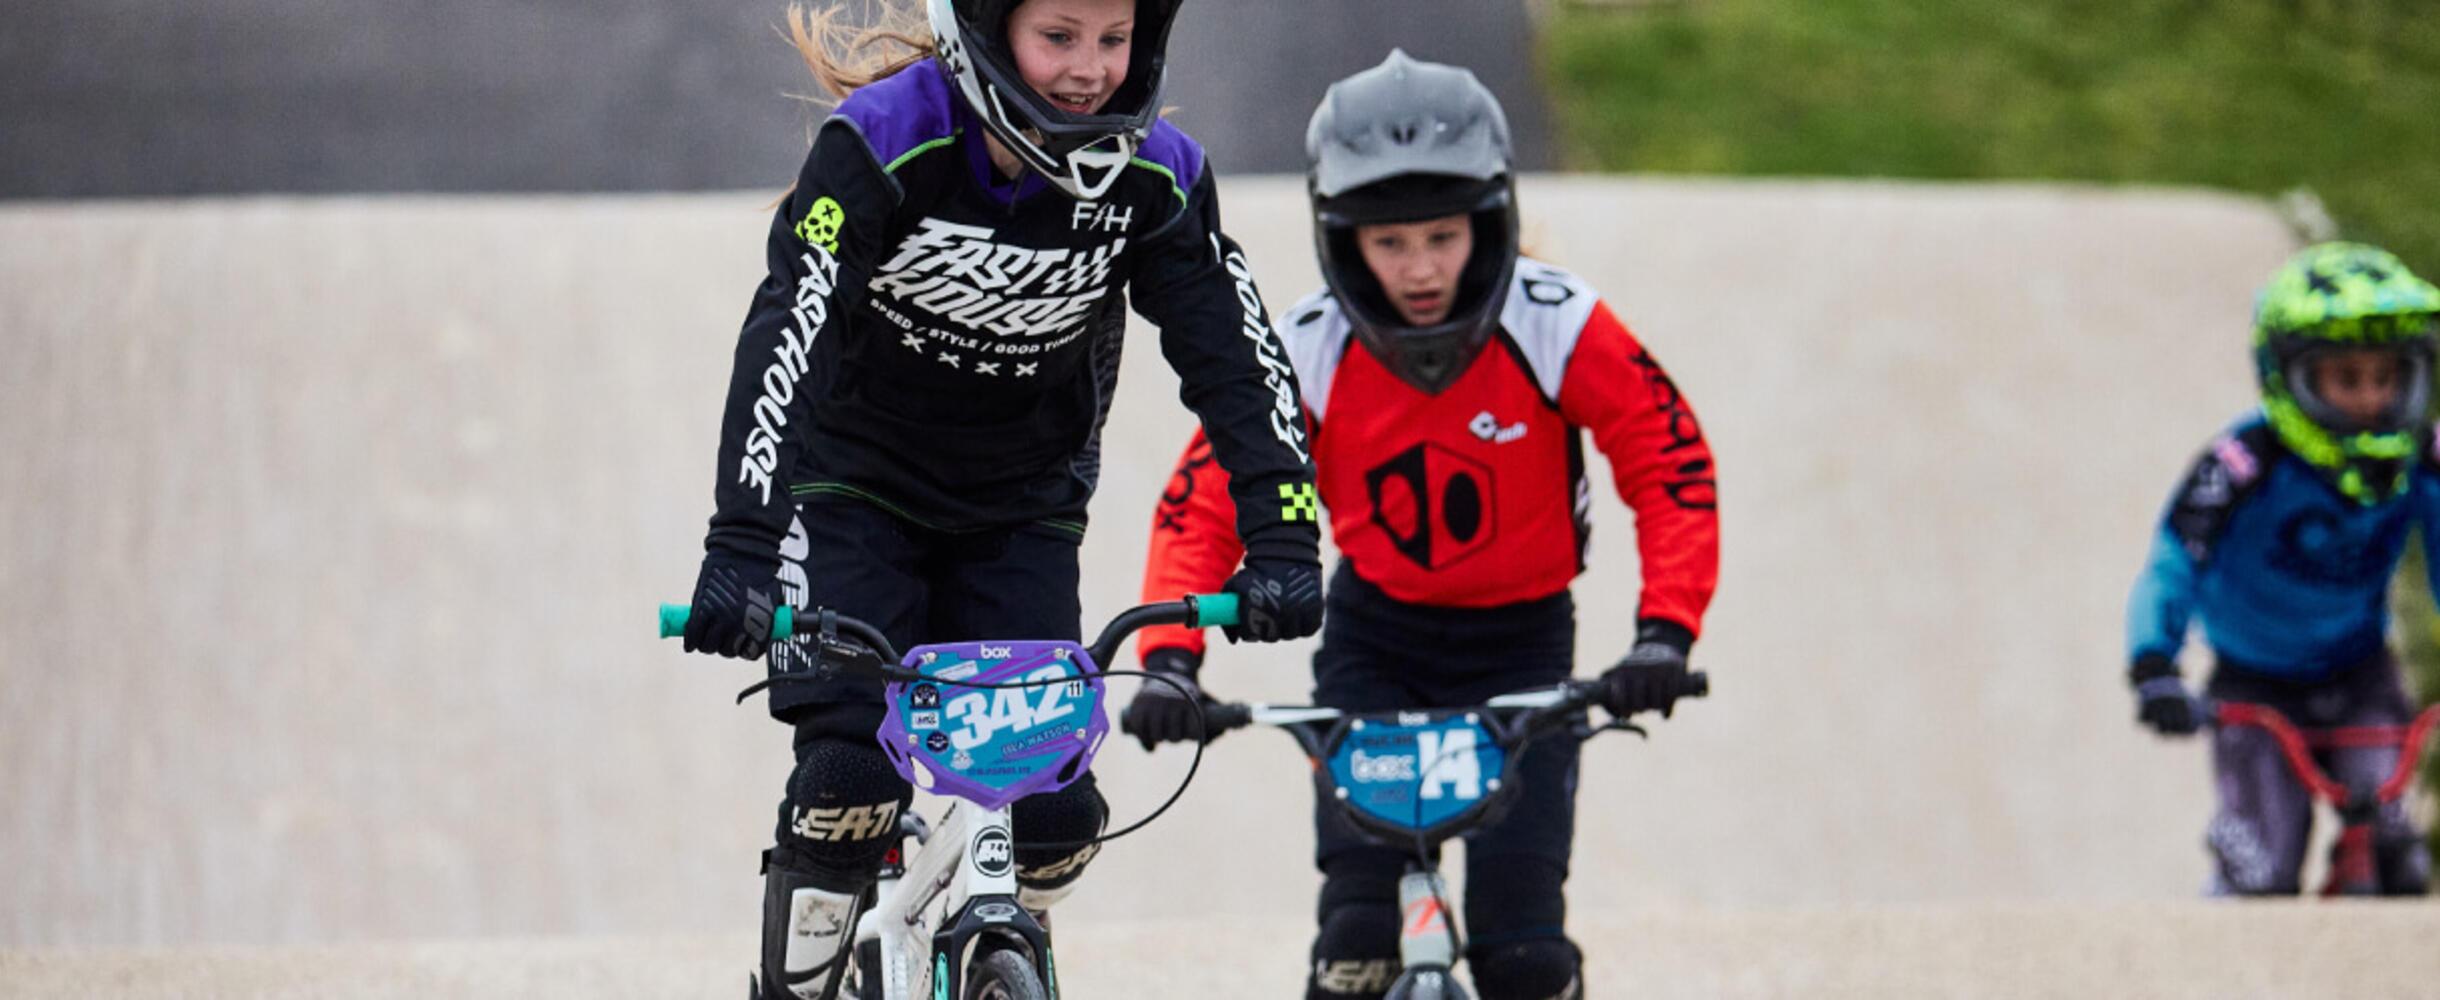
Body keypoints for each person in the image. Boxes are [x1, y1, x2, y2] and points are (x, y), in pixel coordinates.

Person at [674, 2, 1324, 995]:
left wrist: (1282, 531)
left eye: (1114, 39)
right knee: (848, 784)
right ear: (982, 29)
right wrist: (742, 549)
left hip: (1020, 507)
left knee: (1057, 821)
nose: (1090, 71)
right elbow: (787, 331)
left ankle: (1001, 943)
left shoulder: (1157, 173)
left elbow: (1233, 355)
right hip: (848, 491)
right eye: (1058, 36)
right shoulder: (886, 142)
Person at [1121, 50, 1720, 1000]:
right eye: (1389, 244)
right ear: (1340, 237)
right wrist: (1169, 658)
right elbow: (1204, 500)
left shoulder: (1560, 323)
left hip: (1524, 645)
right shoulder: (1308, 346)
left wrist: (1663, 632)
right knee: (1354, 949)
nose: (1422, 269)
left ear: (1492, 219)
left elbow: (1670, 464)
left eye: (1443, 236)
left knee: (1525, 953)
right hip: (1377, 645)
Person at [2127, 241, 2438, 896]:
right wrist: (2155, 665)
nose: (2370, 399)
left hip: (2361, 676)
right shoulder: (2243, 462)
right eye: (2346, 379)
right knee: (2262, 870)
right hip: (2254, 688)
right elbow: (2174, 560)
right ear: (2290, 375)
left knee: (2396, 854)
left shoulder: (2421, 458)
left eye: (2386, 377)